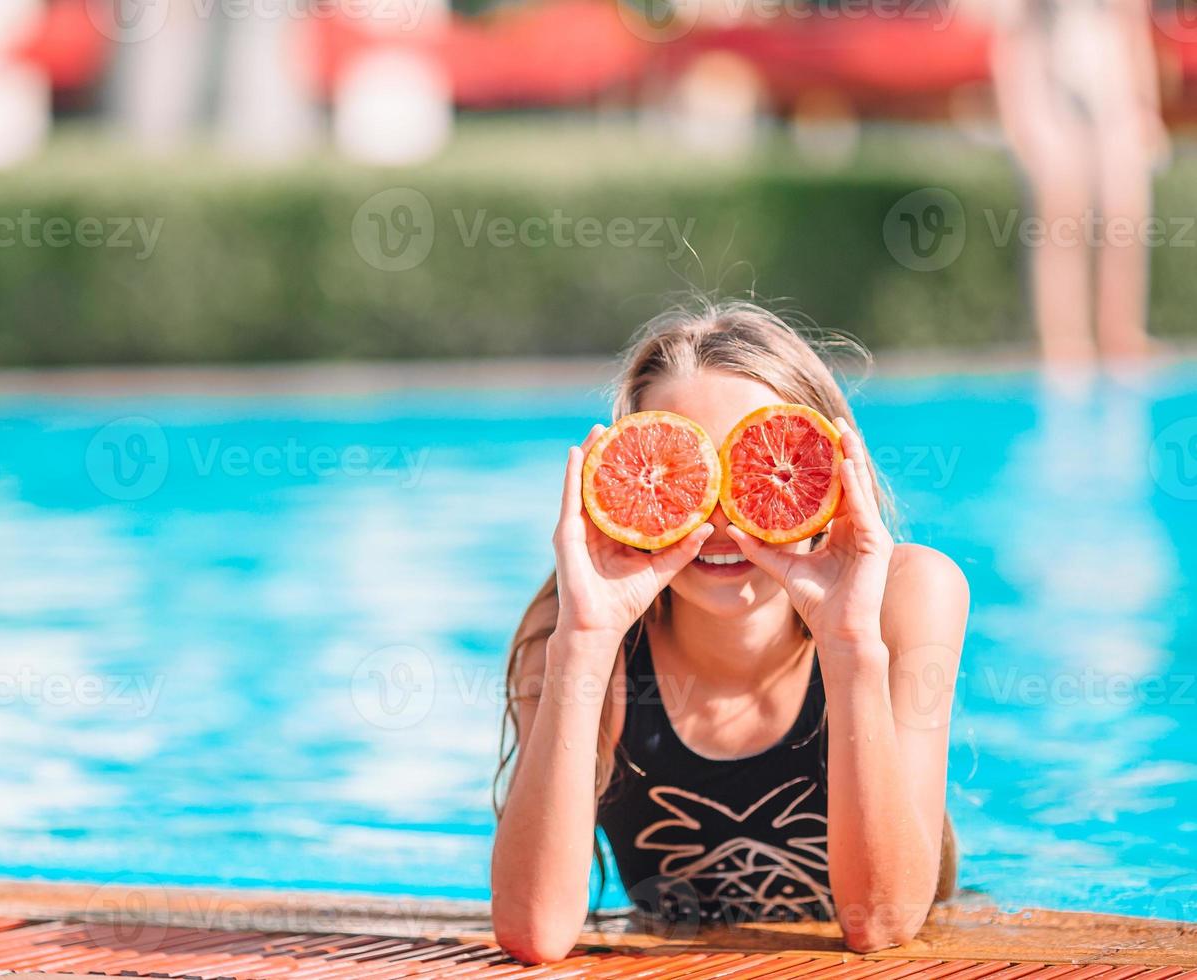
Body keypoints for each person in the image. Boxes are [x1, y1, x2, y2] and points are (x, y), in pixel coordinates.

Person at [490, 301, 968, 963]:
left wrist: (850, 639)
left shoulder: (905, 596)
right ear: (630, 484)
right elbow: (533, 932)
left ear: (827, 470)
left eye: (759, 467)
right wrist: (587, 640)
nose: (721, 517)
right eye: (683, 476)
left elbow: (882, 926)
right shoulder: (568, 634)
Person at [991, 0, 1169, 364]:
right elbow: (1012, 37)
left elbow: (1131, 27)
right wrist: (1020, 119)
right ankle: (1065, 343)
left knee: (1126, 210)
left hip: (1112, 81)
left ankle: (1121, 334)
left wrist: (1147, 107)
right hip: (1047, 83)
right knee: (1060, 213)